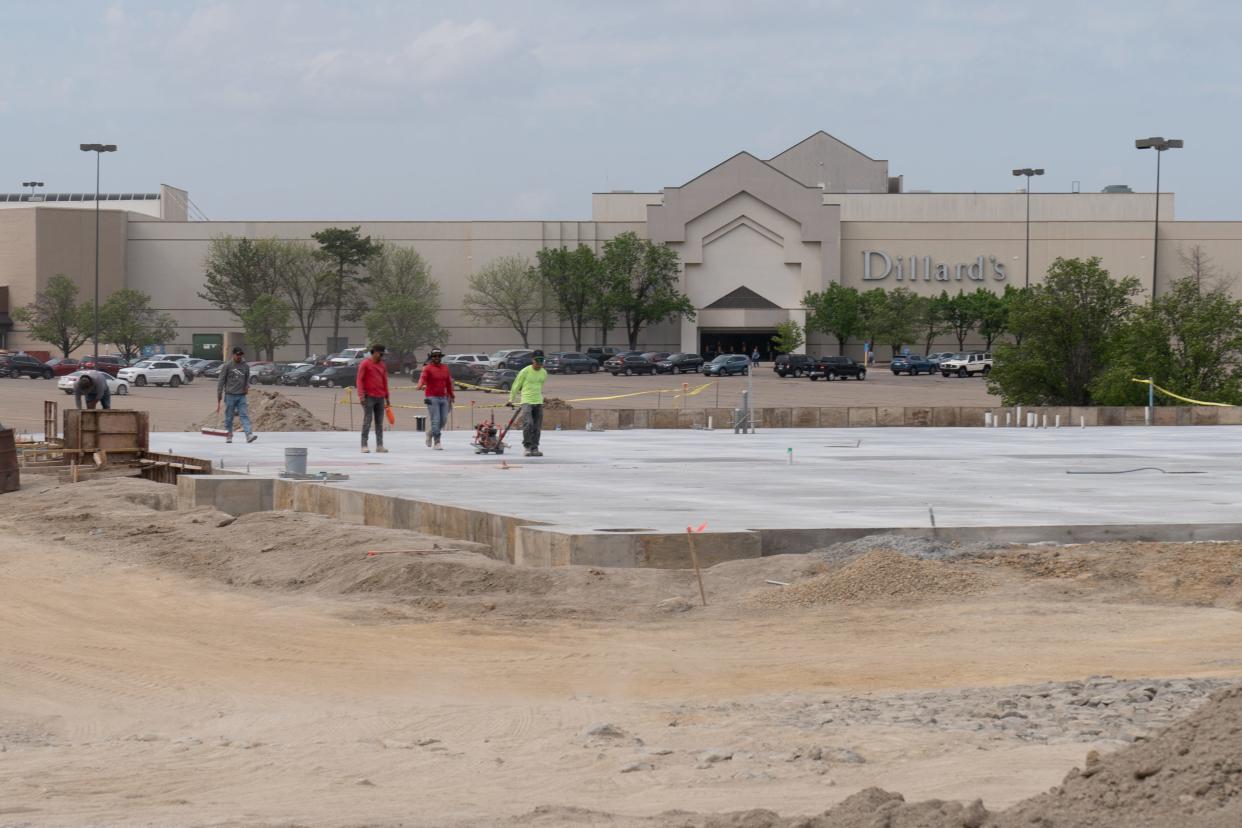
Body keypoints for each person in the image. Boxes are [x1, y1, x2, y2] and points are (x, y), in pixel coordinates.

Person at [508, 350, 548, 457]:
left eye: (541, 360)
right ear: (532, 360)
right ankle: (527, 446)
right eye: (537, 360)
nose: (539, 363)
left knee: (537, 426)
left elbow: (540, 385)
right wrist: (511, 400)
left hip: (538, 401)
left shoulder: (544, 373)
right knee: (528, 423)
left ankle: (535, 447)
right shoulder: (525, 371)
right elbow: (516, 385)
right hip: (526, 400)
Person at [216, 347, 257, 444]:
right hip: (230, 395)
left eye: (241, 355)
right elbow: (221, 380)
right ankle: (229, 435)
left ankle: (249, 435)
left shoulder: (245, 366)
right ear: (233, 355)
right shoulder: (227, 366)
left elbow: (247, 378)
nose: (239, 357)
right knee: (229, 417)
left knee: (244, 415)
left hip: (241, 396)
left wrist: (247, 386)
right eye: (237, 355)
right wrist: (219, 393)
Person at [416, 347, 453, 450]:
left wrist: (451, 394)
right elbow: (423, 378)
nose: (437, 358)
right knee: (436, 420)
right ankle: (437, 442)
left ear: (440, 357)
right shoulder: (428, 368)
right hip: (432, 397)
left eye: (438, 356)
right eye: (435, 356)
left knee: (443, 420)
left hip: (443, 397)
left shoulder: (445, 368)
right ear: (432, 357)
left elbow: (448, 383)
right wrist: (419, 385)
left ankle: (430, 433)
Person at [356, 343, 390, 454]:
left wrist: (387, 396)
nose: (382, 356)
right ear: (374, 352)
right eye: (380, 354)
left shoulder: (382, 365)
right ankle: (364, 445)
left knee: (379, 422)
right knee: (367, 421)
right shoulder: (365, 364)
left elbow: (384, 381)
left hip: (380, 397)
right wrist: (361, 396)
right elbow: (359, 381)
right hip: (368, 397)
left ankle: (379, 445)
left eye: (383, 354)